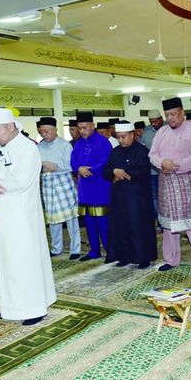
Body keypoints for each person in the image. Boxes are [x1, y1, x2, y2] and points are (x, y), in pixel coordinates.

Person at [0, 108, 56, 326]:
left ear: (11, 126)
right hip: (3, 216)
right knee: (6, 261)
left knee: (25, 260)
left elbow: (21, 181)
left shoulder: (27, 149)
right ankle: (11, 307)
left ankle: (34, 307)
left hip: (22, 216)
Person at [149, 97, 191, 275]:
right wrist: (162, 162)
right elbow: (152, 154)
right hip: (166, 182)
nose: (170, 118)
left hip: (186, 181)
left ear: (182, 112)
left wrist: (175, 165)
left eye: (173, 114)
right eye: (167, 115)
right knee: (168, 223)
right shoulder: (162, 132)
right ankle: (172, 259)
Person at [103, 122, 157, 269]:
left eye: (124, 137)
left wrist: (122, 173)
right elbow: (106, 169)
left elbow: (142, 171)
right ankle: (125, 256)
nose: (121, 140)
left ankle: (144, 257)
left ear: (132, 135)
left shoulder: (142, 151)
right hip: (120, 197)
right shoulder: (115, 152)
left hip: (138, 197)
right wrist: (114, 172)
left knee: (138, 226)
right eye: (118, 137)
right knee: (122, 226)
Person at [71, 111, 113, 262]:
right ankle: (94, 250)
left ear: (92, 126)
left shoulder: (102, 142)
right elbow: (73, 160)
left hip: (100, 187)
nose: (82, 131)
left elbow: (106, 161)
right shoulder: (78, 143)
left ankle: (110, 251)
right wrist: (79, 168)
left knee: (102, 221)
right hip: (84, 188)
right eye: (80, 128)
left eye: (85, 127)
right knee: (89, 221)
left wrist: (91, 170)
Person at [37, 117, 81, 260]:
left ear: (55, 130)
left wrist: (54, 167)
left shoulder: (65, 145)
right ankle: (56, 248)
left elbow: (71, 167)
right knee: (52, 219)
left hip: (63, 183)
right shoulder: (39, 146)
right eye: (42, 132)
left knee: (70, 218)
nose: (44, 134)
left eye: (47, 131)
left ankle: (75, 249)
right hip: (48, 185)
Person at [142, 109, 164, 225]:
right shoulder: (146, 132)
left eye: (156, 121)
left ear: (161, 119)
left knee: (167, 199)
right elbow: (144, 152)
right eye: (151, 122)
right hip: (152, 173)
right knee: (155, 199)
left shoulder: (169, 129)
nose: (154, 124)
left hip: (167, 172)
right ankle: (160, 223)